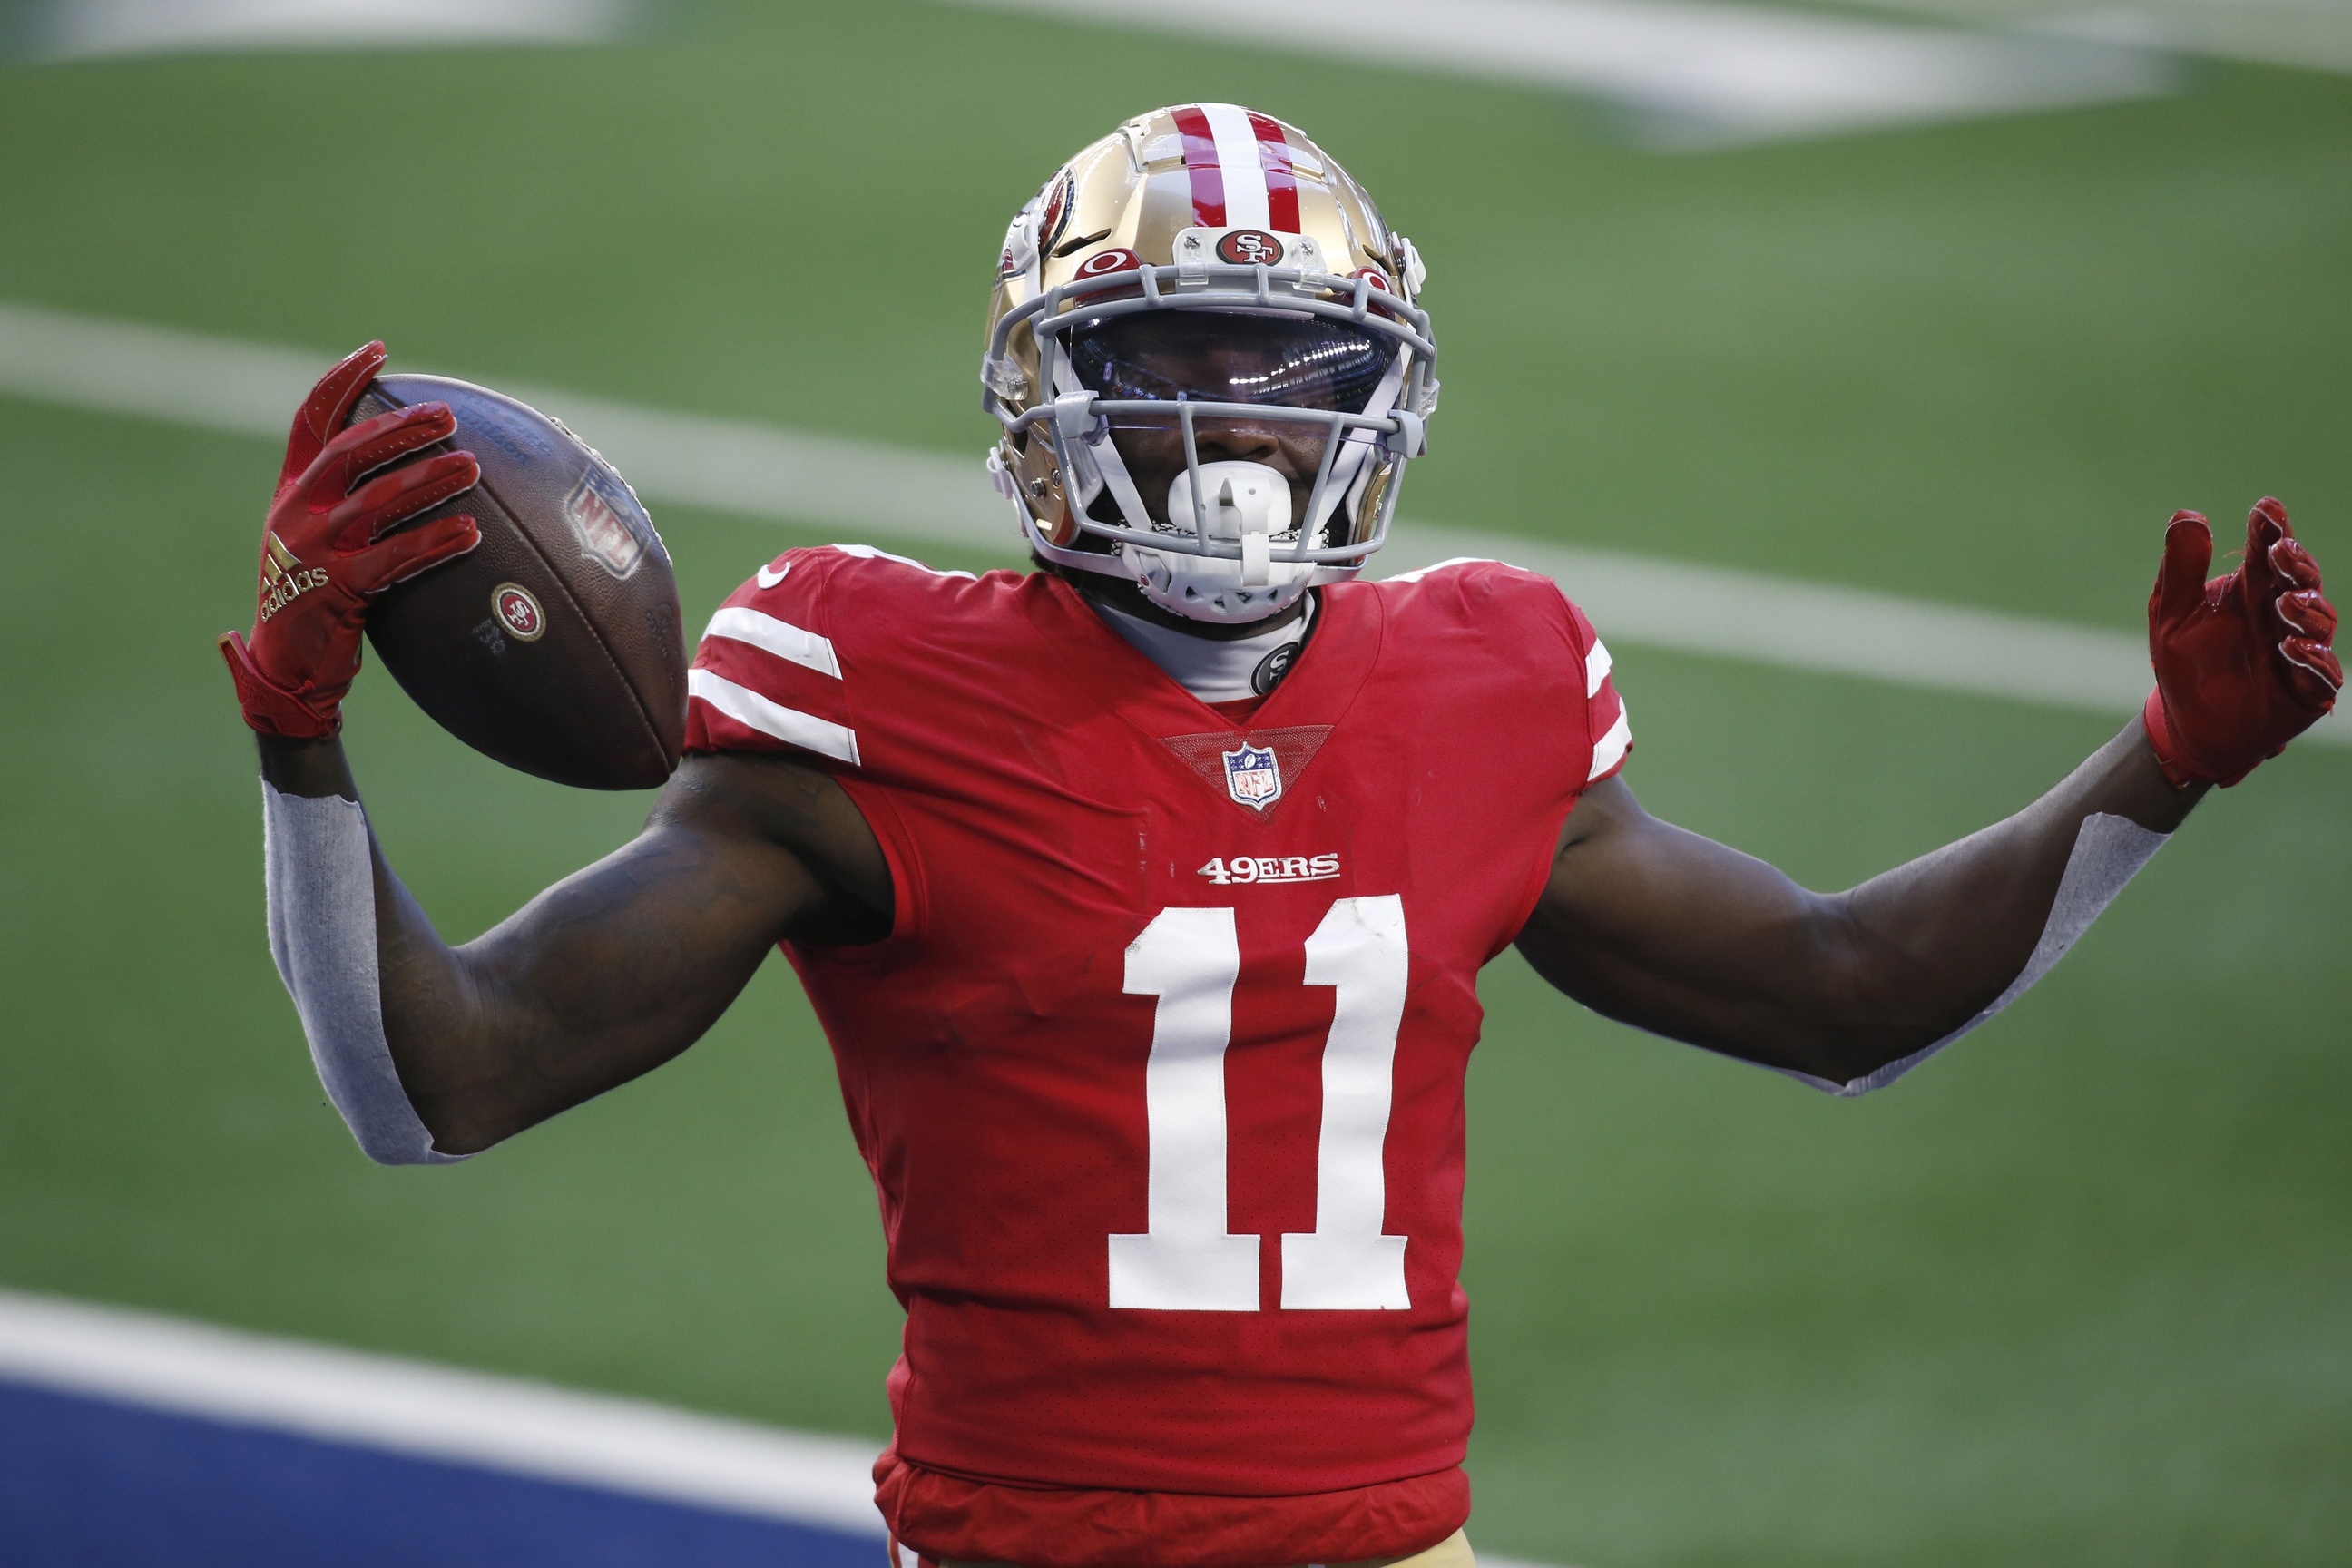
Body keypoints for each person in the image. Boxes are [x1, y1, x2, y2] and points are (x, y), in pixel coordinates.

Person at [217, 104, 2339, 1568]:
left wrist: (2164, 754)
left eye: (1291, 365)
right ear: (1050, 395)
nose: (1241, 421)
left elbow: (1846, 1000)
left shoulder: (1491, 680)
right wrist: (305, 746)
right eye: (1173, 361)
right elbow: (442, 1083)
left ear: (1382, 391)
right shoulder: (863, 691)